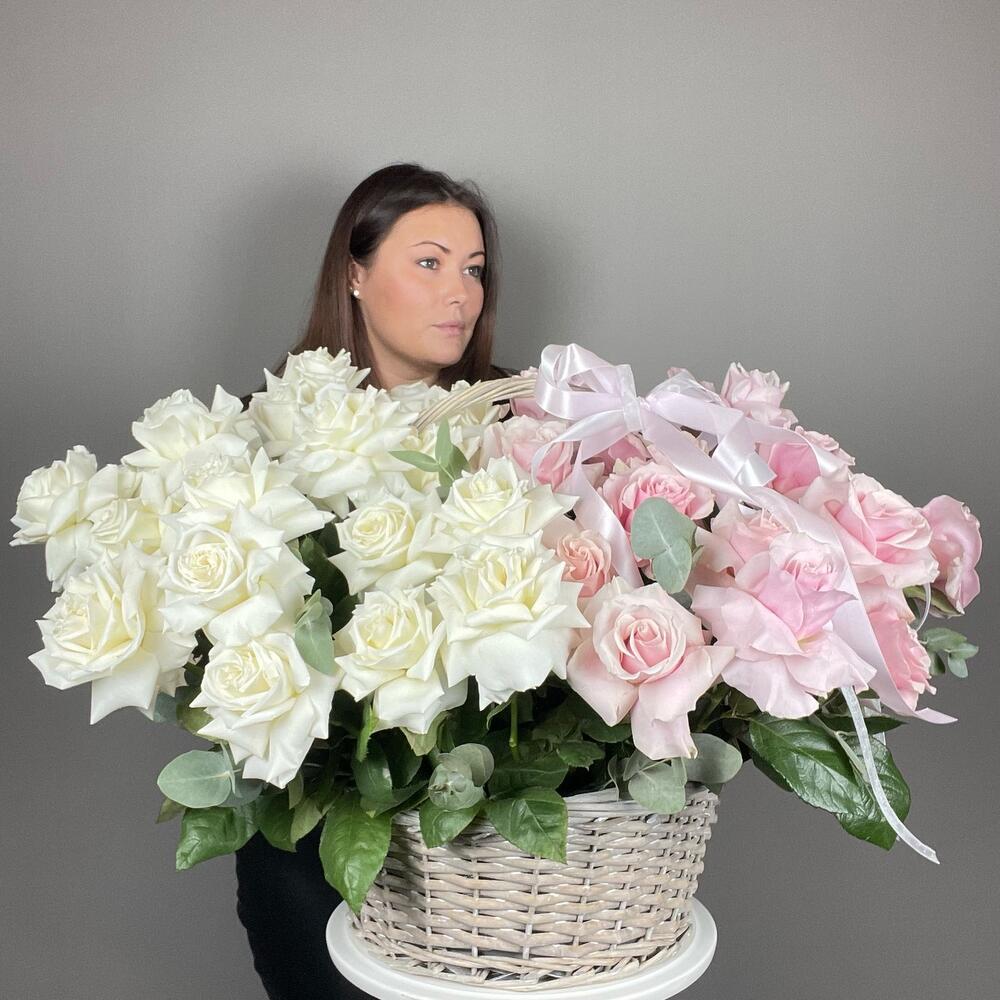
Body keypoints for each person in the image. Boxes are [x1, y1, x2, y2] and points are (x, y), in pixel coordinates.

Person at [236, 162, 519, 1000]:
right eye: (429, 262)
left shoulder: (518, 422)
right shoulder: (266, 432)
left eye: (473, 269)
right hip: (316, 828)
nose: (460, 293)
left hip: (482, 843)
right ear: (354, 274)